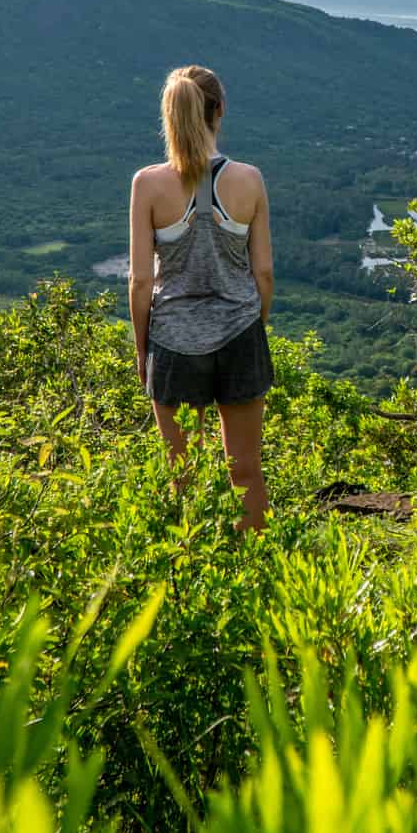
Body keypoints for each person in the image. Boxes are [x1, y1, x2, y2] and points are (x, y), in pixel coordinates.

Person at [129, 64, 275, 531]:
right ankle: (255, 566)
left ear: (170, 116)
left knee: (181, 475)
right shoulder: (249, 179)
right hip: (240, 335)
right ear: (220, 111)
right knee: (246, 470)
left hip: (173, 342)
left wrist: (141, 347)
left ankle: (190, 576)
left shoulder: (147, 184)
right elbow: (264, 272)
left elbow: (139, 281)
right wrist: (256, 326)